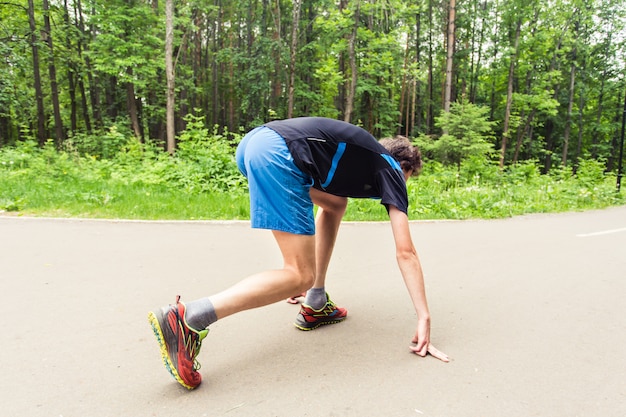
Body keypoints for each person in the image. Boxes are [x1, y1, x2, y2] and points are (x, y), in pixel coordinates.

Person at [148, 116, 449, 390]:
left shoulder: (354, 158)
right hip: (279, 153)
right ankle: (189, 318)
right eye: (407, 179)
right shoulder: (391, 168)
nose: (403, 186)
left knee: (335, 204)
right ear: (405, 167)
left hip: (256, 144)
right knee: (298, 275)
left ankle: (315, 300)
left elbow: (323, 188)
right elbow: (405, 251)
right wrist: (423, 315)